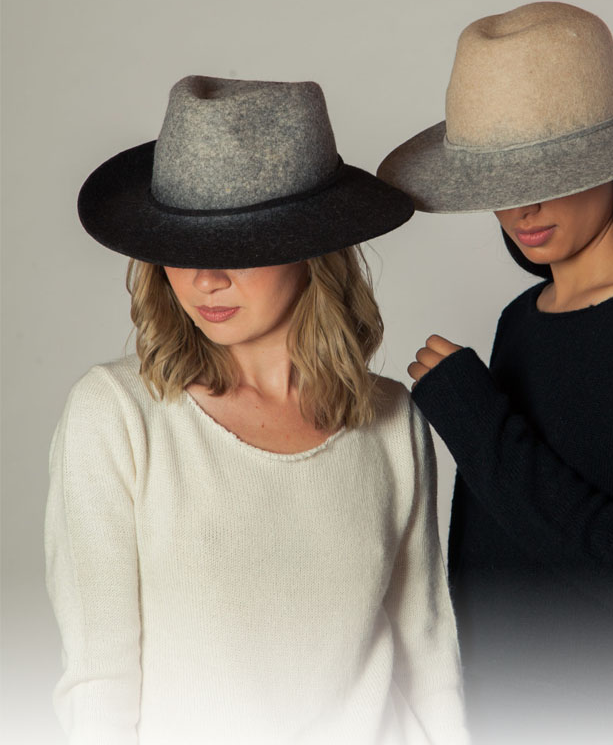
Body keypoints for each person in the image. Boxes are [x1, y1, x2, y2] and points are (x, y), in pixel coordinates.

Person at [377, 2, 613, 745]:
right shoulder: (522, 321)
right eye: (500, 180)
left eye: (550, 173)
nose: (523, 207)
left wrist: (478, 425)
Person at [45, 76, 468, 745]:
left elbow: (428, 656)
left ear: (311, 247)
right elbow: (99, 681)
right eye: (181, 248)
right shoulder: (117, 415)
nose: (205, 280)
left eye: (236, 247)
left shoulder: (392, 418)